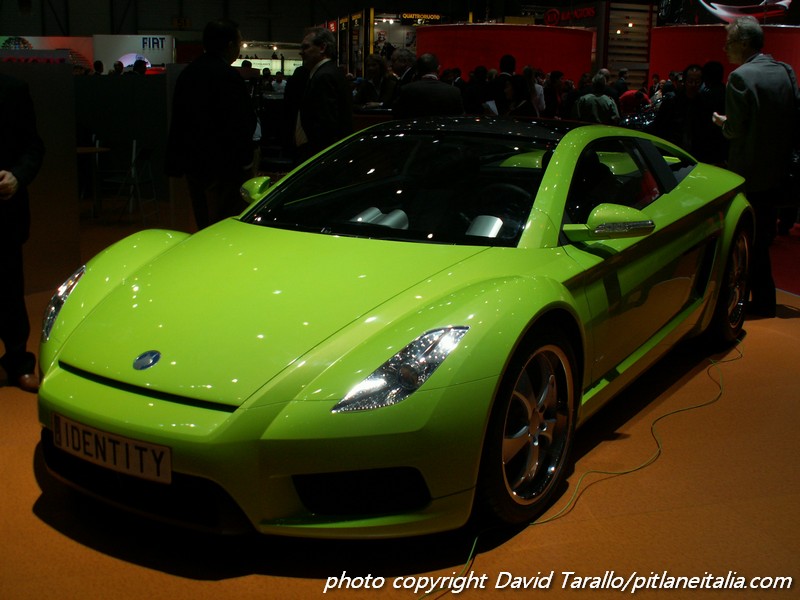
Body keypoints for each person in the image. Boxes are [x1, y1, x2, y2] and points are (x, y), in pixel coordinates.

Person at [712, 16, 800, 317]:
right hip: (779, 170)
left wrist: (722, 123)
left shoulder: (740, 78)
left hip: (748, 172)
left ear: (744, 43)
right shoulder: (785, 71)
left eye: (729, 42)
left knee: (750, 240)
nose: (725, 48)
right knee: (763, 237)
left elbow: (735, 129)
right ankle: (763, 299)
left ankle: (760, 301)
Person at [166, 19, 256, 229]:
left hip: (194, 163)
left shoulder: (189, 73)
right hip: (225, 165)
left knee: (203, 216)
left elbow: (180, 119)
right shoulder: (228, 76)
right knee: (226, 220)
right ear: (230, 45)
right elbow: (241, 121)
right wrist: (246, 160)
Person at [0, 73, 45, 393]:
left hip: (4, 209)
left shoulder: (12, 88)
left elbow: (33, 147)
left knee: (9, 287)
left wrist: (17, 176)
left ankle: (18, 361)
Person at [294, 27, 353, 163]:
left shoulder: (323, 76)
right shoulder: (331, 71)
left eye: (306, 47)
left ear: (322, 47)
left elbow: (326, 124)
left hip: (321, 154)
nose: (301, 52)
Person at [392, 53, 464, 119]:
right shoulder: (454, 92)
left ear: (417, 70)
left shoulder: (406, 90)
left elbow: (397, 115)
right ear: (438, 68)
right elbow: (459, 118)